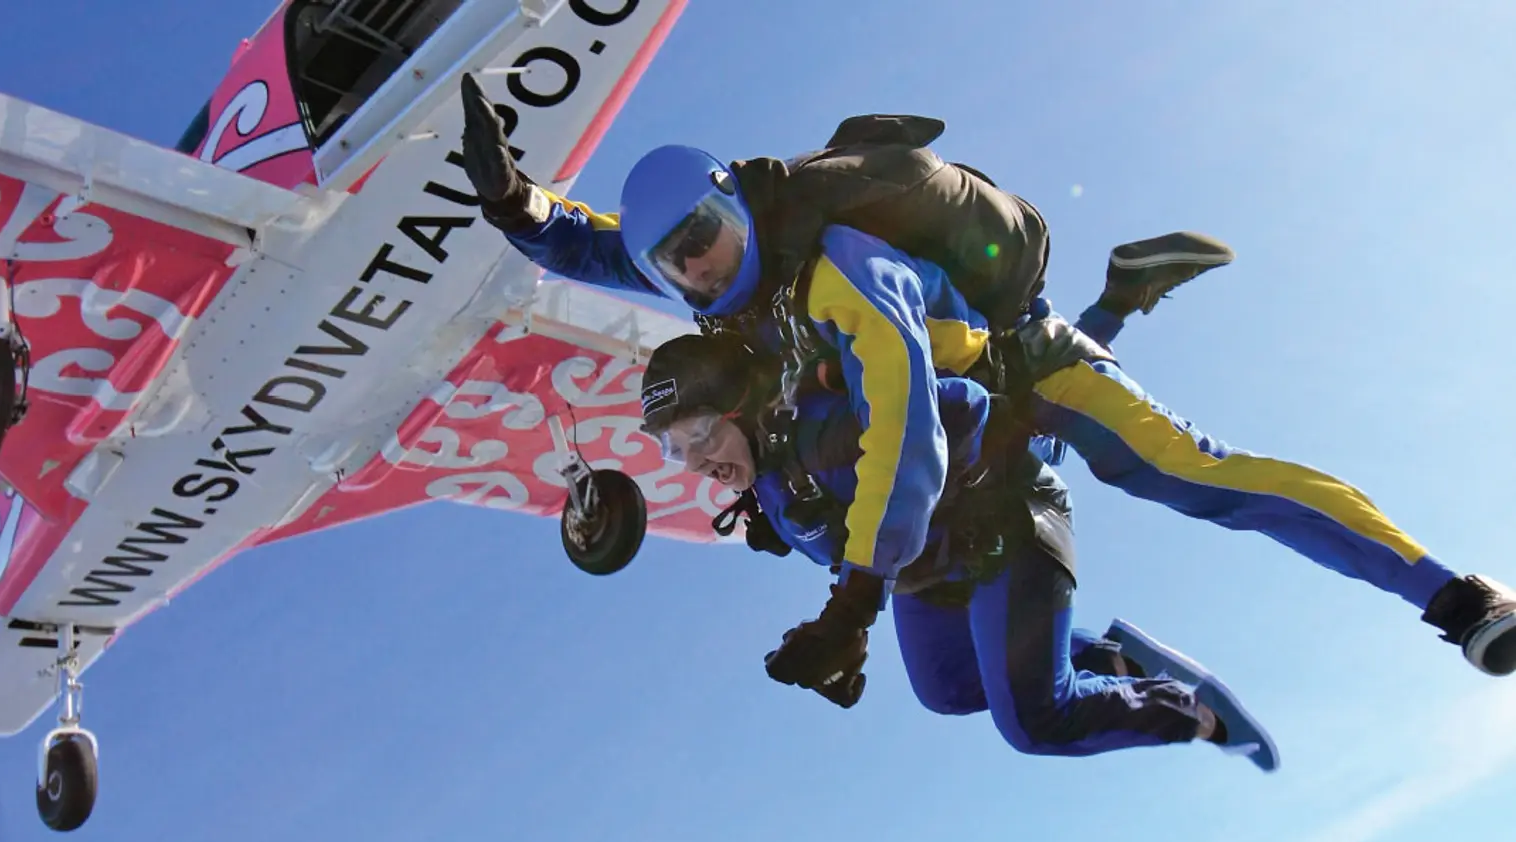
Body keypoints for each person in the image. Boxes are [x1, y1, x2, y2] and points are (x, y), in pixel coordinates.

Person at [458, 75, 1516, 678]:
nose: (697, 268)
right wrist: (516, 203)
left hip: (1027, 365)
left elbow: (906, 428)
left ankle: (1453, 592)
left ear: (734, 202)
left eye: (704, 237)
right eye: (674, 263)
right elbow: (599, 246)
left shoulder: (830, 266)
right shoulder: (709, 286)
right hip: (979, 412)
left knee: (1187, 476)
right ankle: (1126, 288)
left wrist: (856, 597)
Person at [636, 330, 1278, 769]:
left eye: (698, 431)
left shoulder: (824, 432)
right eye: (672, 446)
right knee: (944, 688)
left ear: (745, 405)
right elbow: (855, 534)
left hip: (1004, 528)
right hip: (937, 574)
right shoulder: (771, 480)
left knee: (1034, 721)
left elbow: (964, 407)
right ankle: (1111, 659)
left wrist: (964, 483)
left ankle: (1191, 713)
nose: (693, 459)